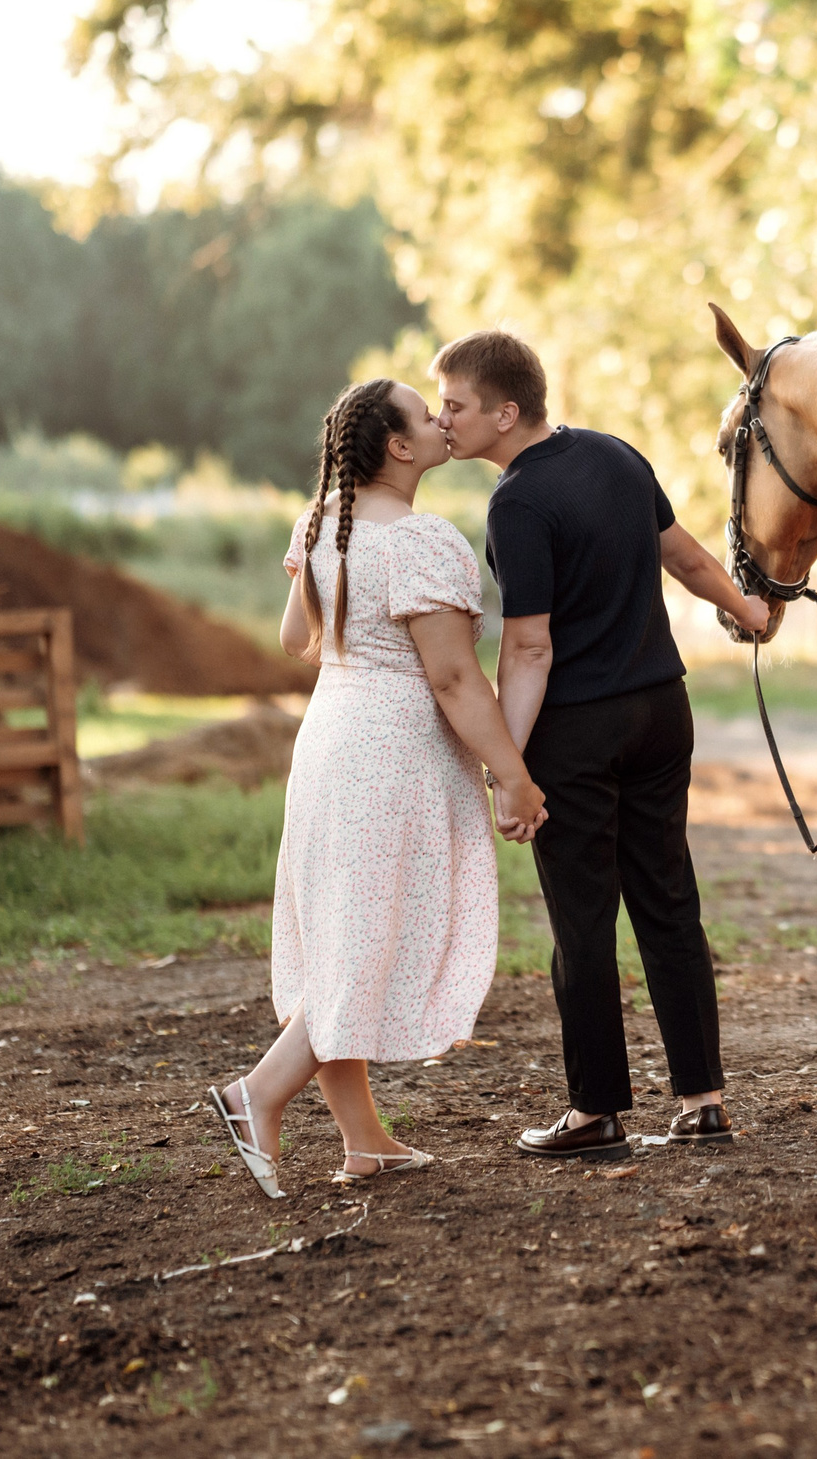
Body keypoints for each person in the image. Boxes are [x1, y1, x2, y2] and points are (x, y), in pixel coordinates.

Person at [206, 378, 549, 1200]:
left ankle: (365, 1140)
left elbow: (298, 638)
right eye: (426, 414)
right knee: (365, 945)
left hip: (328, 741)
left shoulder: (323, 522)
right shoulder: (423, 540)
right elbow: (456, 680)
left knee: (344, 936)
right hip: (388, 758)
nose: (440, 421)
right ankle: (255, 1094)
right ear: (399, 446)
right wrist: (515, 773)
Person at [430, 330, 769, 1161]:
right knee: (668, 903)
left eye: (455, 404)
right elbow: (684, 555)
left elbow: (531, 648)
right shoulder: (617, 453)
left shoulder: (516, 502)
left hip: (579, 728)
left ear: (505, 413)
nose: (443, 419)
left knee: (583, 921)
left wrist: (509, 767)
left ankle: (595, 1112)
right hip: (662, 709)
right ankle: (703, 1100)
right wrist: (749, 610)